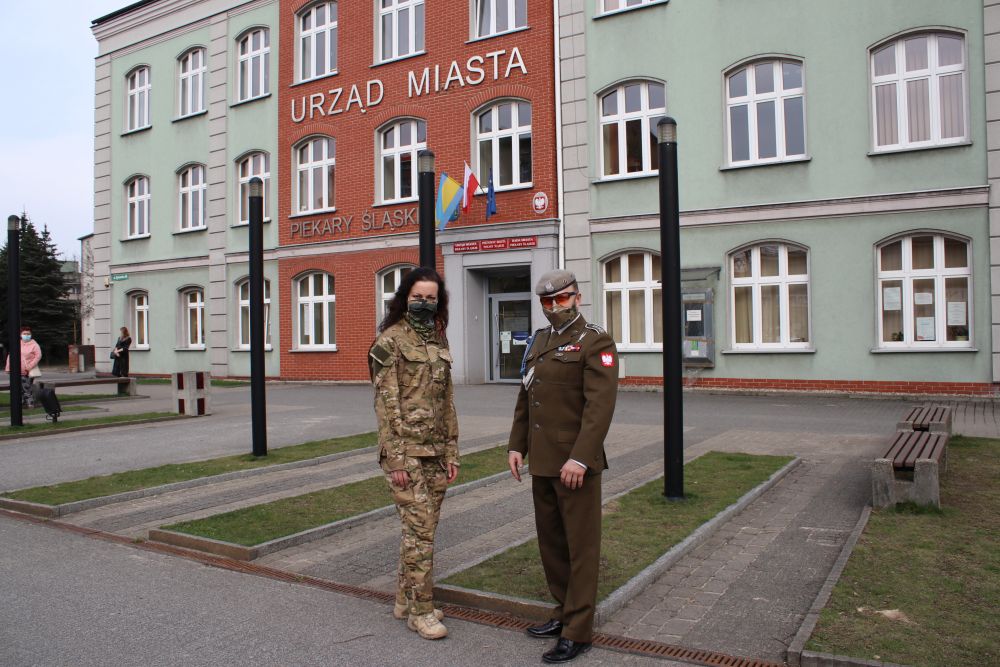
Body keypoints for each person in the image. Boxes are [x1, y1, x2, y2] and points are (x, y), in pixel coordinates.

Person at [507, 269, 619, 664]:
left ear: (577, 297)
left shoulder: (595, 341)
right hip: (543, 461)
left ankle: (579, 630)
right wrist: (516, 446)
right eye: (548, 302)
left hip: (575, 464)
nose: (555, 307)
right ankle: (562, 611)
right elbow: (527, 398)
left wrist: (581, 457)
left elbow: (599, 407)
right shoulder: (540, 340)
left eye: (562, 299)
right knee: (552, 544)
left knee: (580, 548)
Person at [369, 267, 459, 641]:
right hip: (407, 453)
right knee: (421, 533)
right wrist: (396, 460)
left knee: (420, 530)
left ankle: (405, 599)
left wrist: (452, 451)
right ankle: (421, 612)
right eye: (418, 297)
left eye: (431, 298)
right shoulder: (389, 341)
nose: (425, 303)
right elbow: (386, 405)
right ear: (405, 298)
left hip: (437, 452)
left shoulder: (437, 339)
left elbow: (447, 401)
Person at [5, 326, 43, 408]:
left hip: (27, 371)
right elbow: (10, 356)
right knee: (17, 389)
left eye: (28, 334)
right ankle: (20, 404)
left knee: (26, 388)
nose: (26, 335)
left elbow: (38, 356)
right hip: (15, 370)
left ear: (31, 334)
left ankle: (30, 404)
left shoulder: (34, 345)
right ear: (20, 334)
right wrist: (8, 368)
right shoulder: (17, 343)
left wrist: (29, 366)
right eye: (24, 333)